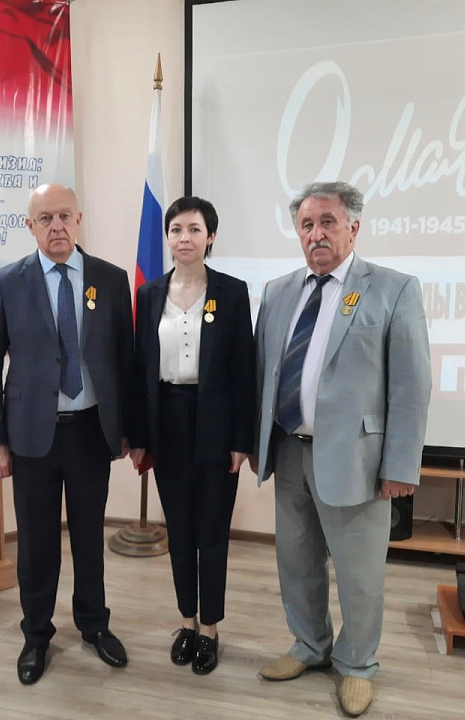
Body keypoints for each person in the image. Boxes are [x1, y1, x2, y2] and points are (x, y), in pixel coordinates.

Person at [251, 182, 431, 717]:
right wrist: (255, 443)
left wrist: (401, 465)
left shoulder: (393, 289)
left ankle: (356, 664)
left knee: (359, 575)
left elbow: (412, 385)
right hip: (289, 451)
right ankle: (309, 645)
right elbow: (264, 375)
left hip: (358, 459)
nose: (316, 234)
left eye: (327, 222)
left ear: (353, 228)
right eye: (307, 225)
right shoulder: (279, 291)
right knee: (296, 562)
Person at [0, 183, 133, 685]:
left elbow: (124, 361)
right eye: (45, 218)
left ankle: (93, 624)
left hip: (90, 432)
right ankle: (36, 635)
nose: (57, 226)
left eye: (65, 215)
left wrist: (127, 430)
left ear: (79, 218)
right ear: (30, 226)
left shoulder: (110, 279)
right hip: (30, 438)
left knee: (89, 538)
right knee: (36, 544)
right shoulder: (9, 281)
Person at [129, 196, 254, 675]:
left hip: (216, 424)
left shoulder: (232, 292)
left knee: (212, 532)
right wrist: (139, 435)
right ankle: (186, 621)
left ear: (211, 237)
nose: (185, 238)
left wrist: (241, 440)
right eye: (177, 229)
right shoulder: (150, 293)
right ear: (168, 237)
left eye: (194, 229)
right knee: (179, 530)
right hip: (167, 422)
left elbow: (244, 371)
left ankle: (211, 629)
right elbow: (140, 369)